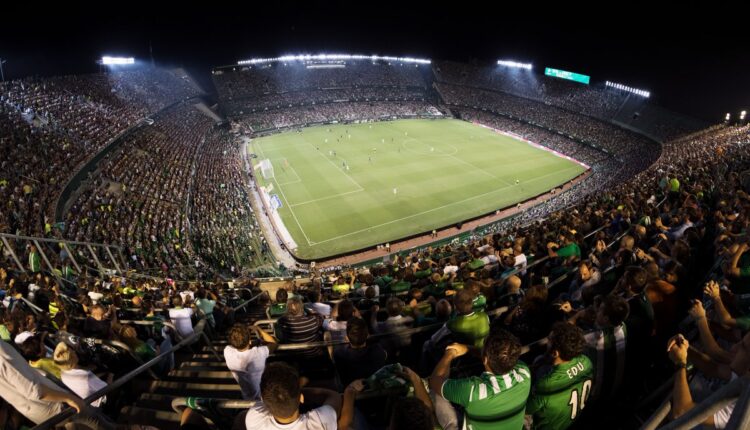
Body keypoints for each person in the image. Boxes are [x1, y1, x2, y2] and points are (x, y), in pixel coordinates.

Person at [430, 329, 531, 430]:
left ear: (485, 359)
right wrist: (468, 348)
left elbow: (435, 380)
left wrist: (450, 354)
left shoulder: (472, 391)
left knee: (436, 393)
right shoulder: (525, 372)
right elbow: (500, 358)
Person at [526, 323, 594, 430]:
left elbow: (526, 409)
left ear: (555, 353)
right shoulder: (587, 362)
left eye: (549, 340)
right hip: (573, 420)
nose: (546, 342)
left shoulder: (546, 384)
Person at [244, 362, 341, 429]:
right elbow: (334, 396)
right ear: (302, 398)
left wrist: (296, 391)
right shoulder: (321, 420)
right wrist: (297, 391)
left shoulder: (253, 419)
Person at [224, 324, 278, 400]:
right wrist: (259, 329)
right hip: (263, 396)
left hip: (246, 396)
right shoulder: (258, 353)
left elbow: (236, 347)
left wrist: (252, 342)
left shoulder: (227, 351)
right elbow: (274, 343)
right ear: (249, 341)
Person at [54, 342, 108, 408]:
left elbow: (83, 370)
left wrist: (93, 367)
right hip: (102, 401)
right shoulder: (85, 376)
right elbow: (107, 388)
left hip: (89, 398)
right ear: (73, 359)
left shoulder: (63, 373)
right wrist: (111, 374)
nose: (74, 351)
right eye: (72, 352)